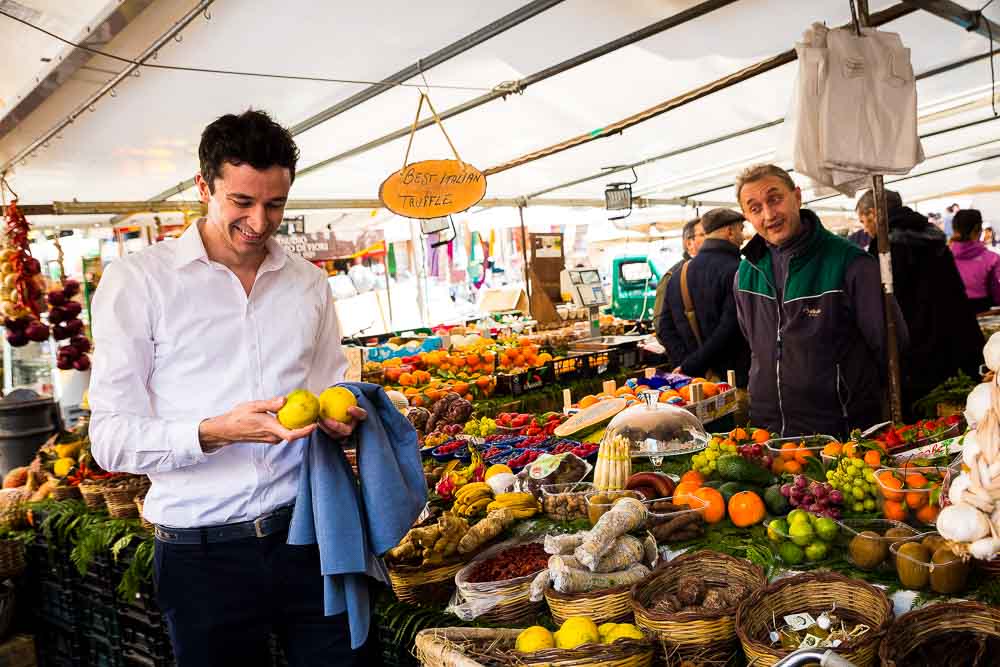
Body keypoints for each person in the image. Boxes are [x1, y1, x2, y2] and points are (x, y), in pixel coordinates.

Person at [89, 110, 376, 666]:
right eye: (242, 202)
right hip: (202, 556)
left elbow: (330, 387)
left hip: (309, 535)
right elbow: (110, 439)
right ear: (204, 187)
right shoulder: (140, 282)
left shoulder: (308, 283)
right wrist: (213, 432)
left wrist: (340, 417)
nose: (260, 220)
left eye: (275, 204)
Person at [734, 164, 906, 438]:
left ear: (797, 197)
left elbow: (891, 346)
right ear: (747, 216)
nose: (768, 214)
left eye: (775, 199)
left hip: (840, 431)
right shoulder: (746, 272)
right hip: (769, 433)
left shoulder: (851, 264)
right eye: (755, 208)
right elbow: (755, 342)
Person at [856, 189, 983, 420]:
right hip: (951, 340)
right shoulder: (932, 236)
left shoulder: (885, 246)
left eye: (864, 221)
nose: (865, 228)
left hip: (913, 349)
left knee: (921, 421)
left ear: (874, 214)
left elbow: (885, 306)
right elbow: (955, 293)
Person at [660, 208, 750, 385]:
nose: (743, 235)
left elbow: (664, 327)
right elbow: (730, 328)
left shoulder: (679, 274)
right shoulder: (739, 271)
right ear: (729, 231)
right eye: (740, 229)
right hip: (734, 381)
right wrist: (694, 364)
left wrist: (687, 364)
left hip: (693, 381)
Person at [653, 218, 704, 350]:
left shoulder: (710, 272)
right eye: (704, 234)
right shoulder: (673, 276)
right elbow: (661, 327)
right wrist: (686, 361)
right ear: (689, 243)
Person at [951, 208, 1000, 314]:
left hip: (951, 316)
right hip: (982, 314)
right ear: (978, 230)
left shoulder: (943, 256)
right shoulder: (992, 258)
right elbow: (997, 295)